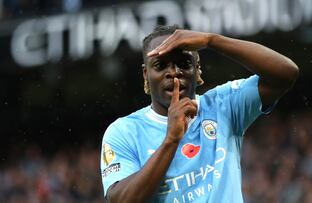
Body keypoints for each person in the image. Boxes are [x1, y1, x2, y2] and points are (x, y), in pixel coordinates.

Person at [100, 25, 299, 203]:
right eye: (161, 65)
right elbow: (121, 200)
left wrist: (211, 40)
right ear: (146, 74)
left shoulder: (223, 105)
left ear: (197, 69)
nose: (174, 72)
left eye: (184, 63)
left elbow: (285, 73)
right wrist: (171, 140)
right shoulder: (124, 132)